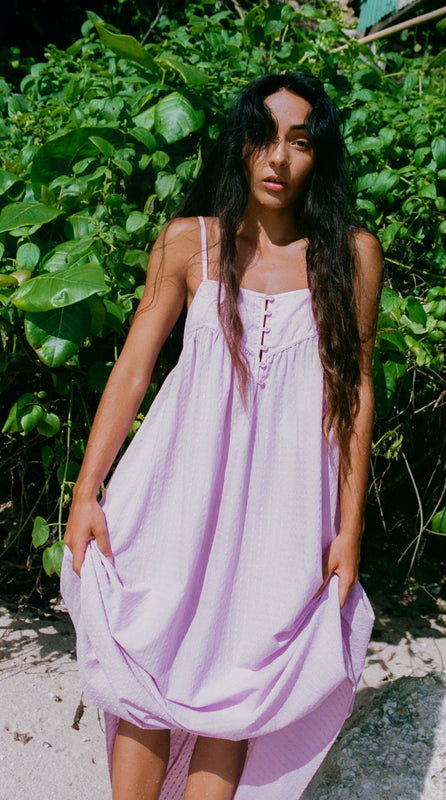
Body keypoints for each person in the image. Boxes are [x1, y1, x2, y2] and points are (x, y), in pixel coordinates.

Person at [61, 72, 382, 800]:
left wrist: (348, 526)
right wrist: (85, 492)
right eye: (262, 138)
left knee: (243, 668)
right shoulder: (189, 244)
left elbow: (355, 392)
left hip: (284, 507)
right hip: (175, 491)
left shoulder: (350, 255)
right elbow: (134, 368)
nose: (277, 159)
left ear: (318, 156)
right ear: (238, 147)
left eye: (299, 143)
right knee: (147, 652)